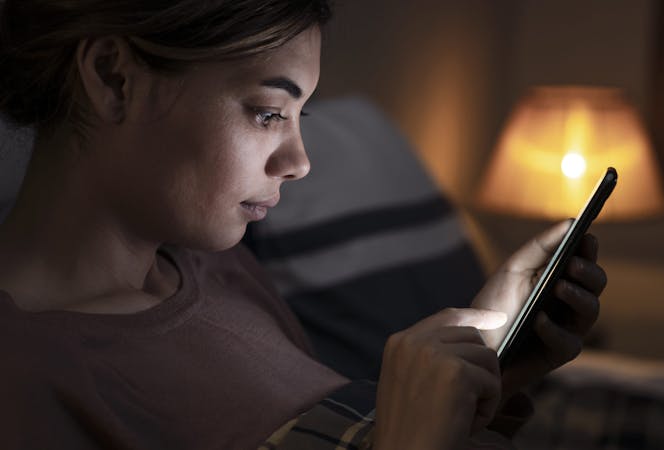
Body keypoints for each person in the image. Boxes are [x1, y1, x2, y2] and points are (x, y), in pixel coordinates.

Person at [0, 1, 607, 449]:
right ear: (113, 78)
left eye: (298, 115)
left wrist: (485, 376)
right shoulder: (27, 380)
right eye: (268, 113)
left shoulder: (219, 268)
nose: (300, 162)